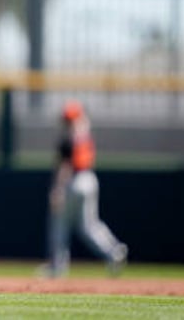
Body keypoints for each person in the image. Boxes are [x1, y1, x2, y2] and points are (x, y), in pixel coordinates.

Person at [40, 100, 128, 278]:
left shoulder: (67, 138)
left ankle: (58, 267)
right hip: (89, 179)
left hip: (73, 182)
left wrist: (58, 189)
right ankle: (113, 251)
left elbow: (64, 167)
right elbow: (83, 124)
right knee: (89, 225)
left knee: (59, 224)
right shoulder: (85, 134)